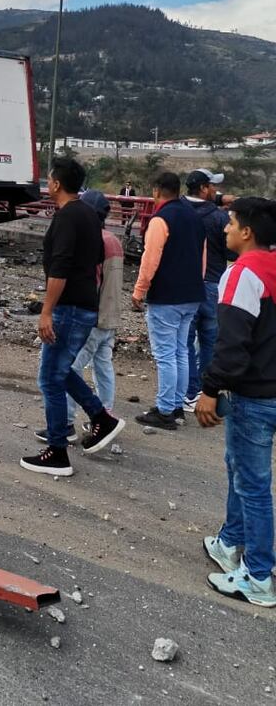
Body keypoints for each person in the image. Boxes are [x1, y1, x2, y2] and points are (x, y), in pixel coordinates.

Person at [20, 158, 125, 477]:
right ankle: (102, 418)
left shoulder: (67, 217)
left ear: (55, 184)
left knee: (49, 377)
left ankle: (57, 452)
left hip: (68, 308)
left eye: (48, 179)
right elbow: (92, 259)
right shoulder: (89, 216)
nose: (46, 184)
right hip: (85, 305)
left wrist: (47, 311)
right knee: (61, 370)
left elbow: (60, 267)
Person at [196, 197, 276, 607]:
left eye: (230, 223)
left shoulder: (241, 273)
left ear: (247, 231)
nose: (224, 229)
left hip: (255, 394)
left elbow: (231, 343)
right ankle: (230, 542)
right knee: (240, 470)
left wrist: (210, 389)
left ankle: (259, 575)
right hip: (269, 390)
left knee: (253, 484)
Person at [34, 189, 123, 444]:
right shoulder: (113, 240)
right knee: (102, 367)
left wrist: (48, 310)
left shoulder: (93, 239)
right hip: (109, 315)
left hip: (89, 316)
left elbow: (90, 280)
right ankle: (104, 415)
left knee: (63, 369)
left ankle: (67, 428)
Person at [132, 171, 206, 431]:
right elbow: (202, 259)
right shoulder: (195, 219)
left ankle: (164, 411)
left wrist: (139, 291)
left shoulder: (160, 219)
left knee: (165, 354)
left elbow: (150, 258)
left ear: (156, 190)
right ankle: (175, 406)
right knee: (181, 351)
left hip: (167, 297)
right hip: (193, 294)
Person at [183, 169, 233, 412]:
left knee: (185, 342)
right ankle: (206, 391)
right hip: (213, 283)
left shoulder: (179, 210)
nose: (215, 190)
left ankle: (189, 393)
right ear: (203, 188)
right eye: (212, 186)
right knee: (210, 341)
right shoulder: (218, 218)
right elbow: (232, 252)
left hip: (187, 284)